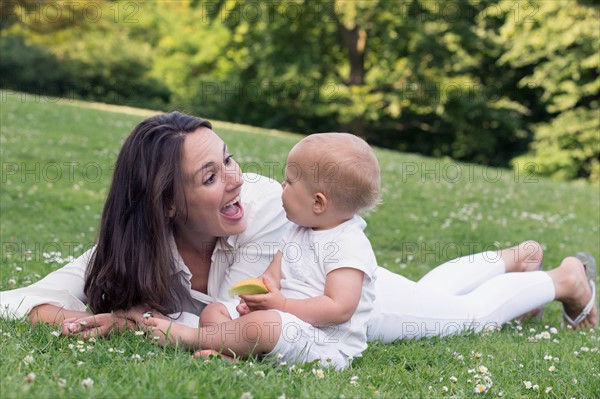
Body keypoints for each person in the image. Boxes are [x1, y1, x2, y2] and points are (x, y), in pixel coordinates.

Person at [1, 112, 596, 345]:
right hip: (334, 296)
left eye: (228, 158)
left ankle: (564, 278)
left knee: (459, 317)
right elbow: (21, 302)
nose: (235, 178)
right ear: (166, 205)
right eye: (210, 176)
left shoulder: (263, 205)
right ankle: (499, 262)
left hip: (346, 298)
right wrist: (77, 318)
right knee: (434, 295)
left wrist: (132, 321)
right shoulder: (132, 247)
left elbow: (255, 309)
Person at [144, 133, 380, 369]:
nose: (281, 186)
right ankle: (234, 355)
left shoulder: (349, 244)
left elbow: (339, 309)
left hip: (323, 342)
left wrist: (282, 305)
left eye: (289, 182)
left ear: (318, 203)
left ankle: (187, 338)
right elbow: (271, 277)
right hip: (282, 319)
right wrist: (257, 296)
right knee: (214, 312)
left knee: (262, 326)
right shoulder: (297, 231)